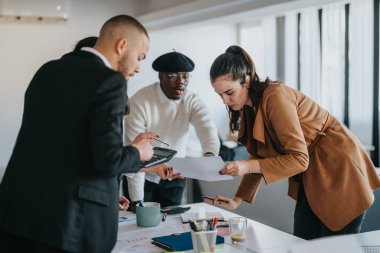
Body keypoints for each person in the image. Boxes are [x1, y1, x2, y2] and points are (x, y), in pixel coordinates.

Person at [0, 15, 172, 253]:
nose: (138, 67)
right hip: (68, 225)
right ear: (121, 45)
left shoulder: (47, 71)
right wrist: (138, 152)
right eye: (139, 57)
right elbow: (108, 160)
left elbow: (67, 149)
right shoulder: (110, 81)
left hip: (16, 214)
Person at [204, 45, 380, 240]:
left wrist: (247, 166)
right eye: (219, 95)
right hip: (311, 172)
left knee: (336, 245)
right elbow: (258, 154)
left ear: (246, 80)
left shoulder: (275, 96)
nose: (224, 101)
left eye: (229, 92)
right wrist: (237, 200)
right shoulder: (248, 108)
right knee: (303, 242)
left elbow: (297, 159)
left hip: (338, 167)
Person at [124, 51, 220, 208]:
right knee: (140, 224)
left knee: (171, 223)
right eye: (173, 76)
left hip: (175, 175)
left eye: (185, 76)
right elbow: (135, 153)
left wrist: (210, 155)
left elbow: (207, 128)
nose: (181, 82)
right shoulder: (140, 101)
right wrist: (137, 200)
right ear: (160, 76)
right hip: (142, 175)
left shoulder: (191, 100)